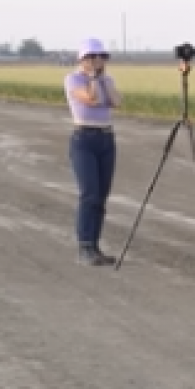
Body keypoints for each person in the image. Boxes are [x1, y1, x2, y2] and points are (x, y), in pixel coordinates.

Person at [64, 38, 122, 266]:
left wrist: (103, 80)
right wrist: (92, 77)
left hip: (106, 139)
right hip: (84, 139)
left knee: (102, 196)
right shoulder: (73, 79)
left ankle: (96, 246)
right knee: (89, 193)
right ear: (83, 59)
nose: (98, 60)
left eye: (102, 56)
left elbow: (117, 101)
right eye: (93, 56)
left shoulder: (107, 80)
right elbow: (91, 99)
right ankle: (85, 246)